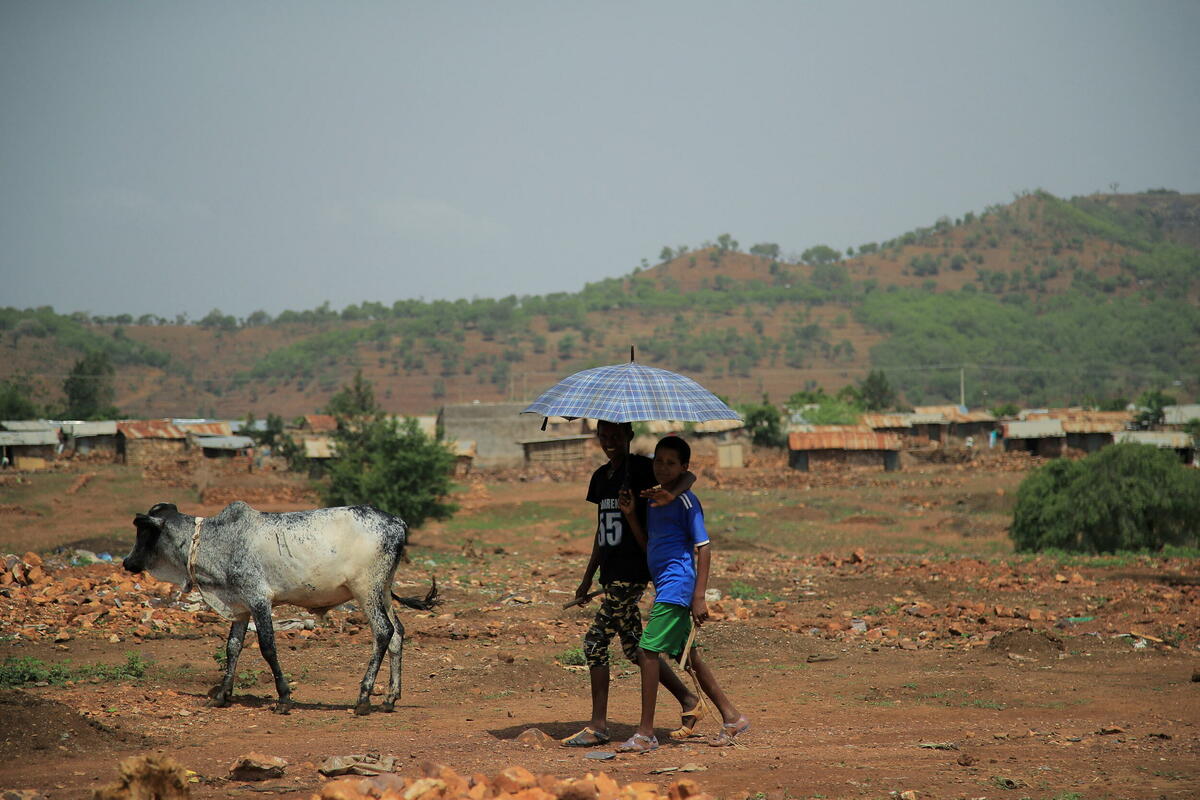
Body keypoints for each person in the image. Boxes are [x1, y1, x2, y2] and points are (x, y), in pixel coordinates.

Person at [561, 420, 704, 748]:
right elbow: (601, 530)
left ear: (629, 435)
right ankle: (688, 700)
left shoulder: (641, 468)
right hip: (611, 573)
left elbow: (688, 477)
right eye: (603, 436)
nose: (609, 441)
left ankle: (598, 726)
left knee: (595, 642)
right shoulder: (601, 477)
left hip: (633, 570)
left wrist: (670, 494)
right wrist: (587, 577)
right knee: (634, 648)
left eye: (616, 435)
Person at [614, 434, 749, 753]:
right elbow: (650, 545)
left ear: (683, 467)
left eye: (670, 463)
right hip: (664, 584)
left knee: (646, 652)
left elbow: (704, 547)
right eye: (658, 461)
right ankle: (733, 717)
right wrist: (631, 514)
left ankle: (646, 733)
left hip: (678, 584)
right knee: (688, 656)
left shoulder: (686, 501)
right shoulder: (654, 500)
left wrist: (698, 596)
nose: (662, 468)